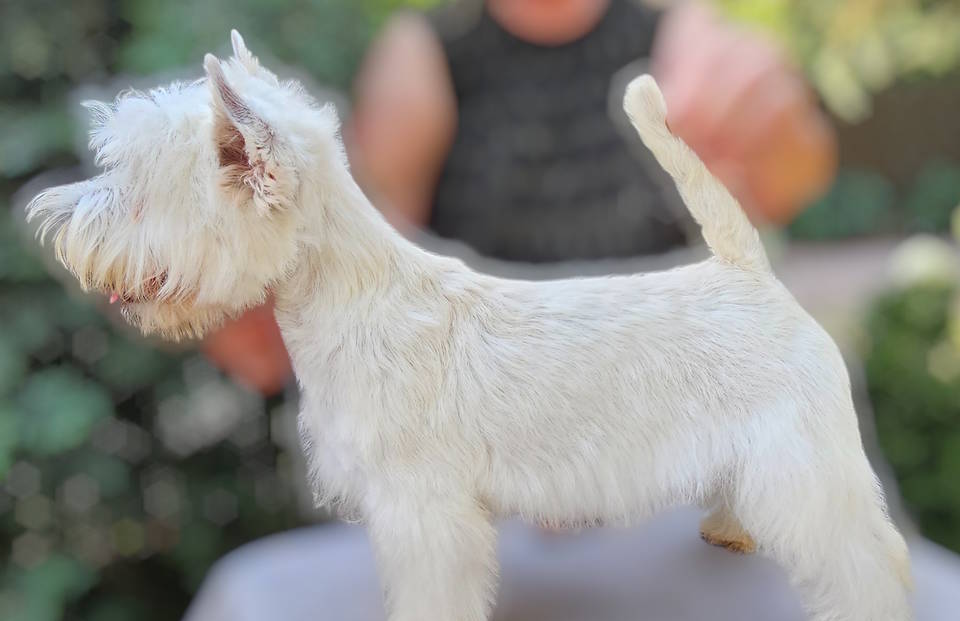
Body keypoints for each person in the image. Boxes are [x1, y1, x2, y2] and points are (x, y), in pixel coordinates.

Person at [205, 0, 837, 391]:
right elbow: (370, 271)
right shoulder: (424, 56)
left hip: (676, 430)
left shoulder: (676, 33)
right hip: (499, 458)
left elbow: (792, 180)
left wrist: (777, 121)